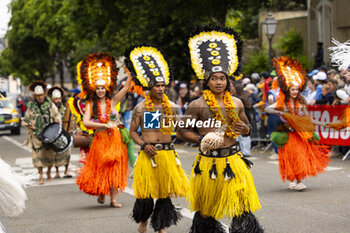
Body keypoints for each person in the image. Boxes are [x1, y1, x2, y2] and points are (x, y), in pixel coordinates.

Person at [177, 27, 263, 233]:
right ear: (207, 81)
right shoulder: (197, 104)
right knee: (206, 210)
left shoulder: (237, 103)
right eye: (214, 78)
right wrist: (201, 140)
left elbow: (247, 128)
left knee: (242, 206)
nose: (218, 82)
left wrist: (245, 129)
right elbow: (181, 131)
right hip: (208, 163)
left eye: (222, 78)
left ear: (227, 81)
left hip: (234, 160)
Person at [125, 45, 189, 233]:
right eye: (157, 86)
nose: (161, 89)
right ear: (149, 88)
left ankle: (160, 226)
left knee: (163, 194)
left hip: (167, 154)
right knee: (145, 194)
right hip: (148, 154)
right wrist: (144, 145)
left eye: (163, 85)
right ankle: (144, 219)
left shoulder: (172, 107)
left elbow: (180, 129)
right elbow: (133, 132)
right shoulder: (141, 108)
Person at [76, 52, 132, 207]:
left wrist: (130, 73)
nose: (101, 90)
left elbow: (126, 88)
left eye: (103, 88)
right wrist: (103, 125)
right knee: (101, 169)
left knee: (114, 168)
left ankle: (113, 199)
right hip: (100, 141)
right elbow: (86, 122)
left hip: (115, 141)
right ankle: (101, 192)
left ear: (106, 88)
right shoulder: (90, 105)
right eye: (98, 88)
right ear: (95, 89)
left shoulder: (112, 102)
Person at [265, 57, 330, 191]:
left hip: (300, 134)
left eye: (296, 89)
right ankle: (291, 180)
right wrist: (281, 113)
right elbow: (267, 108)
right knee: (289, 157)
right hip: (286, 133)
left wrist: (321, 124)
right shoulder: (282, 103)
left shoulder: (301, 102)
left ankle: (299, 180)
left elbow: (307, 118)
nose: (295, 92)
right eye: (292, 89)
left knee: (300, 156)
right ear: (288, 90)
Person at [23, 81, 61, 185]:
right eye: (38, 96)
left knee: (50, 156)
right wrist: (29, 125)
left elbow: (57, 115)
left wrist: (58, 121)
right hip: (36, 136)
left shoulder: (50, 105)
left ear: (44, 94)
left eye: (42, 95)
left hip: (49, 135)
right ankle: (41, 176)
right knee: (38, 156)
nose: (40, 97)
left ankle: (48, 172)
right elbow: (25, 119)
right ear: (35, 96)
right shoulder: (31, 106)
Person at [47, 86, 72, 178]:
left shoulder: (65, 107)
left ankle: (66, 170)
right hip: (55, 133)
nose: (58, 100)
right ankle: (57, 171)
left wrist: (71, 128)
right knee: (56, 153)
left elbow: (70, 117)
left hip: (65, 132)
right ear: (52, 99)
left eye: (59, 98)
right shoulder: (50, 108)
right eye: (56, 99)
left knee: (67, 152)